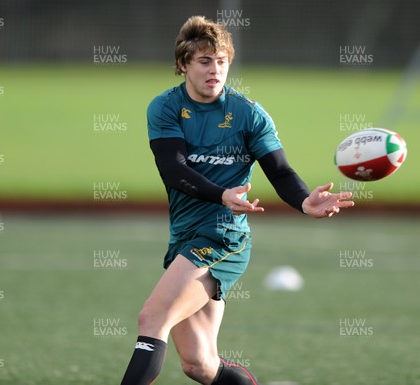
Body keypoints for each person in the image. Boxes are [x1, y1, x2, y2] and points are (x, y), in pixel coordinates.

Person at [120, 15, 354, 385]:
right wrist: (220, 193)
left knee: (152, 319)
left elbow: (279, 172)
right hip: (185, 234)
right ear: (182, 65)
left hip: (223, 237)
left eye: (222, 61)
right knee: (198, 363)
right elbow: (173, 169)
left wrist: (303, 201)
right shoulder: (165, 108)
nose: (215, 70)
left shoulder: (248, 113)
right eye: (204, 61)